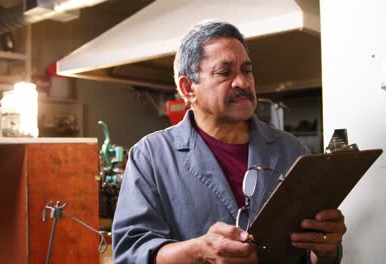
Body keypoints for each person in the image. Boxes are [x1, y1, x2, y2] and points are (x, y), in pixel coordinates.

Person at [112, 21, 347, 264]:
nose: (243, 83)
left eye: (246, 70)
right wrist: (198, 251)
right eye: (225, 73)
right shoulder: (151, 156)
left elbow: (308, 256)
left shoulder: (292, 151)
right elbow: (131, 255)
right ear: (188, 88)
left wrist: (324, 249)